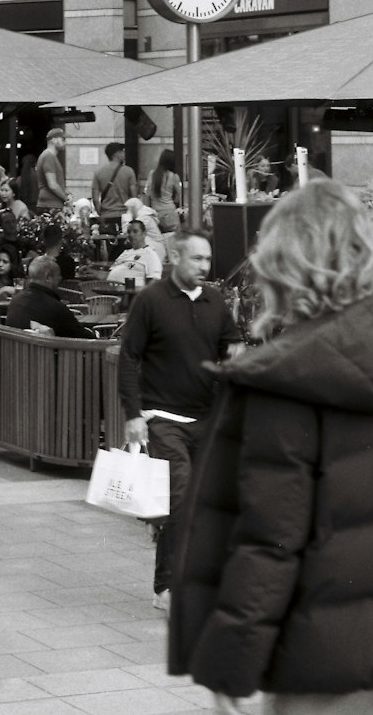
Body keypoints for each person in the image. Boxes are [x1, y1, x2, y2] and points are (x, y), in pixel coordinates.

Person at [170, 180, 373, 715]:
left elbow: (270, 536)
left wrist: (229, 662)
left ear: (282, 265)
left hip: (331, 658)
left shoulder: (289, 379)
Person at [118, 231, 240, 612]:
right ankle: (167, 587)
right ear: (175, 256)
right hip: (163, 418)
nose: (204, 267)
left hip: (207, 419)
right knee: (183, 495)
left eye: (207, 260)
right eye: (197, 259)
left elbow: (230, 344)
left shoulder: (214, 300)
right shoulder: (151, 301)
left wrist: (236, 354)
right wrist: (134, 415)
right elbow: (128, 358)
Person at [5, 255, 94, 338]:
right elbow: (84, 338)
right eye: (58, 274)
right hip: (48, 354)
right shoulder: (55, 308)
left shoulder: (15, 301)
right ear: (47, 277)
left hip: (15, 353)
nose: (60, 278)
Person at [90, 142, 138, 249]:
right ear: (117, 154)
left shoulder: (98, 173)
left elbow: (95, 198)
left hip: (106, 217)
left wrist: (101, 214)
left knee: (109, 251)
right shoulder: (129, 172)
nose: (124, 155)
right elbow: (134, 198)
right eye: (123, 152)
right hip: (125, 217)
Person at [107, 216, 162, 291]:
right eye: (129, 232)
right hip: (109, 292)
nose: (131, 235)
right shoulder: (125, 253)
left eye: (135, 231)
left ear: (144, 233)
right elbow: (110, 273)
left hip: (129, 296)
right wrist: (92, 272)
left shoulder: (150, 255)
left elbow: (153, 284)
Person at [147, 148, 182, 233]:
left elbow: (148, 194)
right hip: (170, 212)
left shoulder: (152, 174)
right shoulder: (174, 176)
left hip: (155, 213)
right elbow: (178, 198)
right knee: (174, 240)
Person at [35, 127, 69, 213]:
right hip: (50, 206)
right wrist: (66, 199)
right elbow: (52, 184)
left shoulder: (49, 156)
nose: (65, 142)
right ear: (54, 140)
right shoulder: (48, 156)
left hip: (50, 204)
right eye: (63, 139)